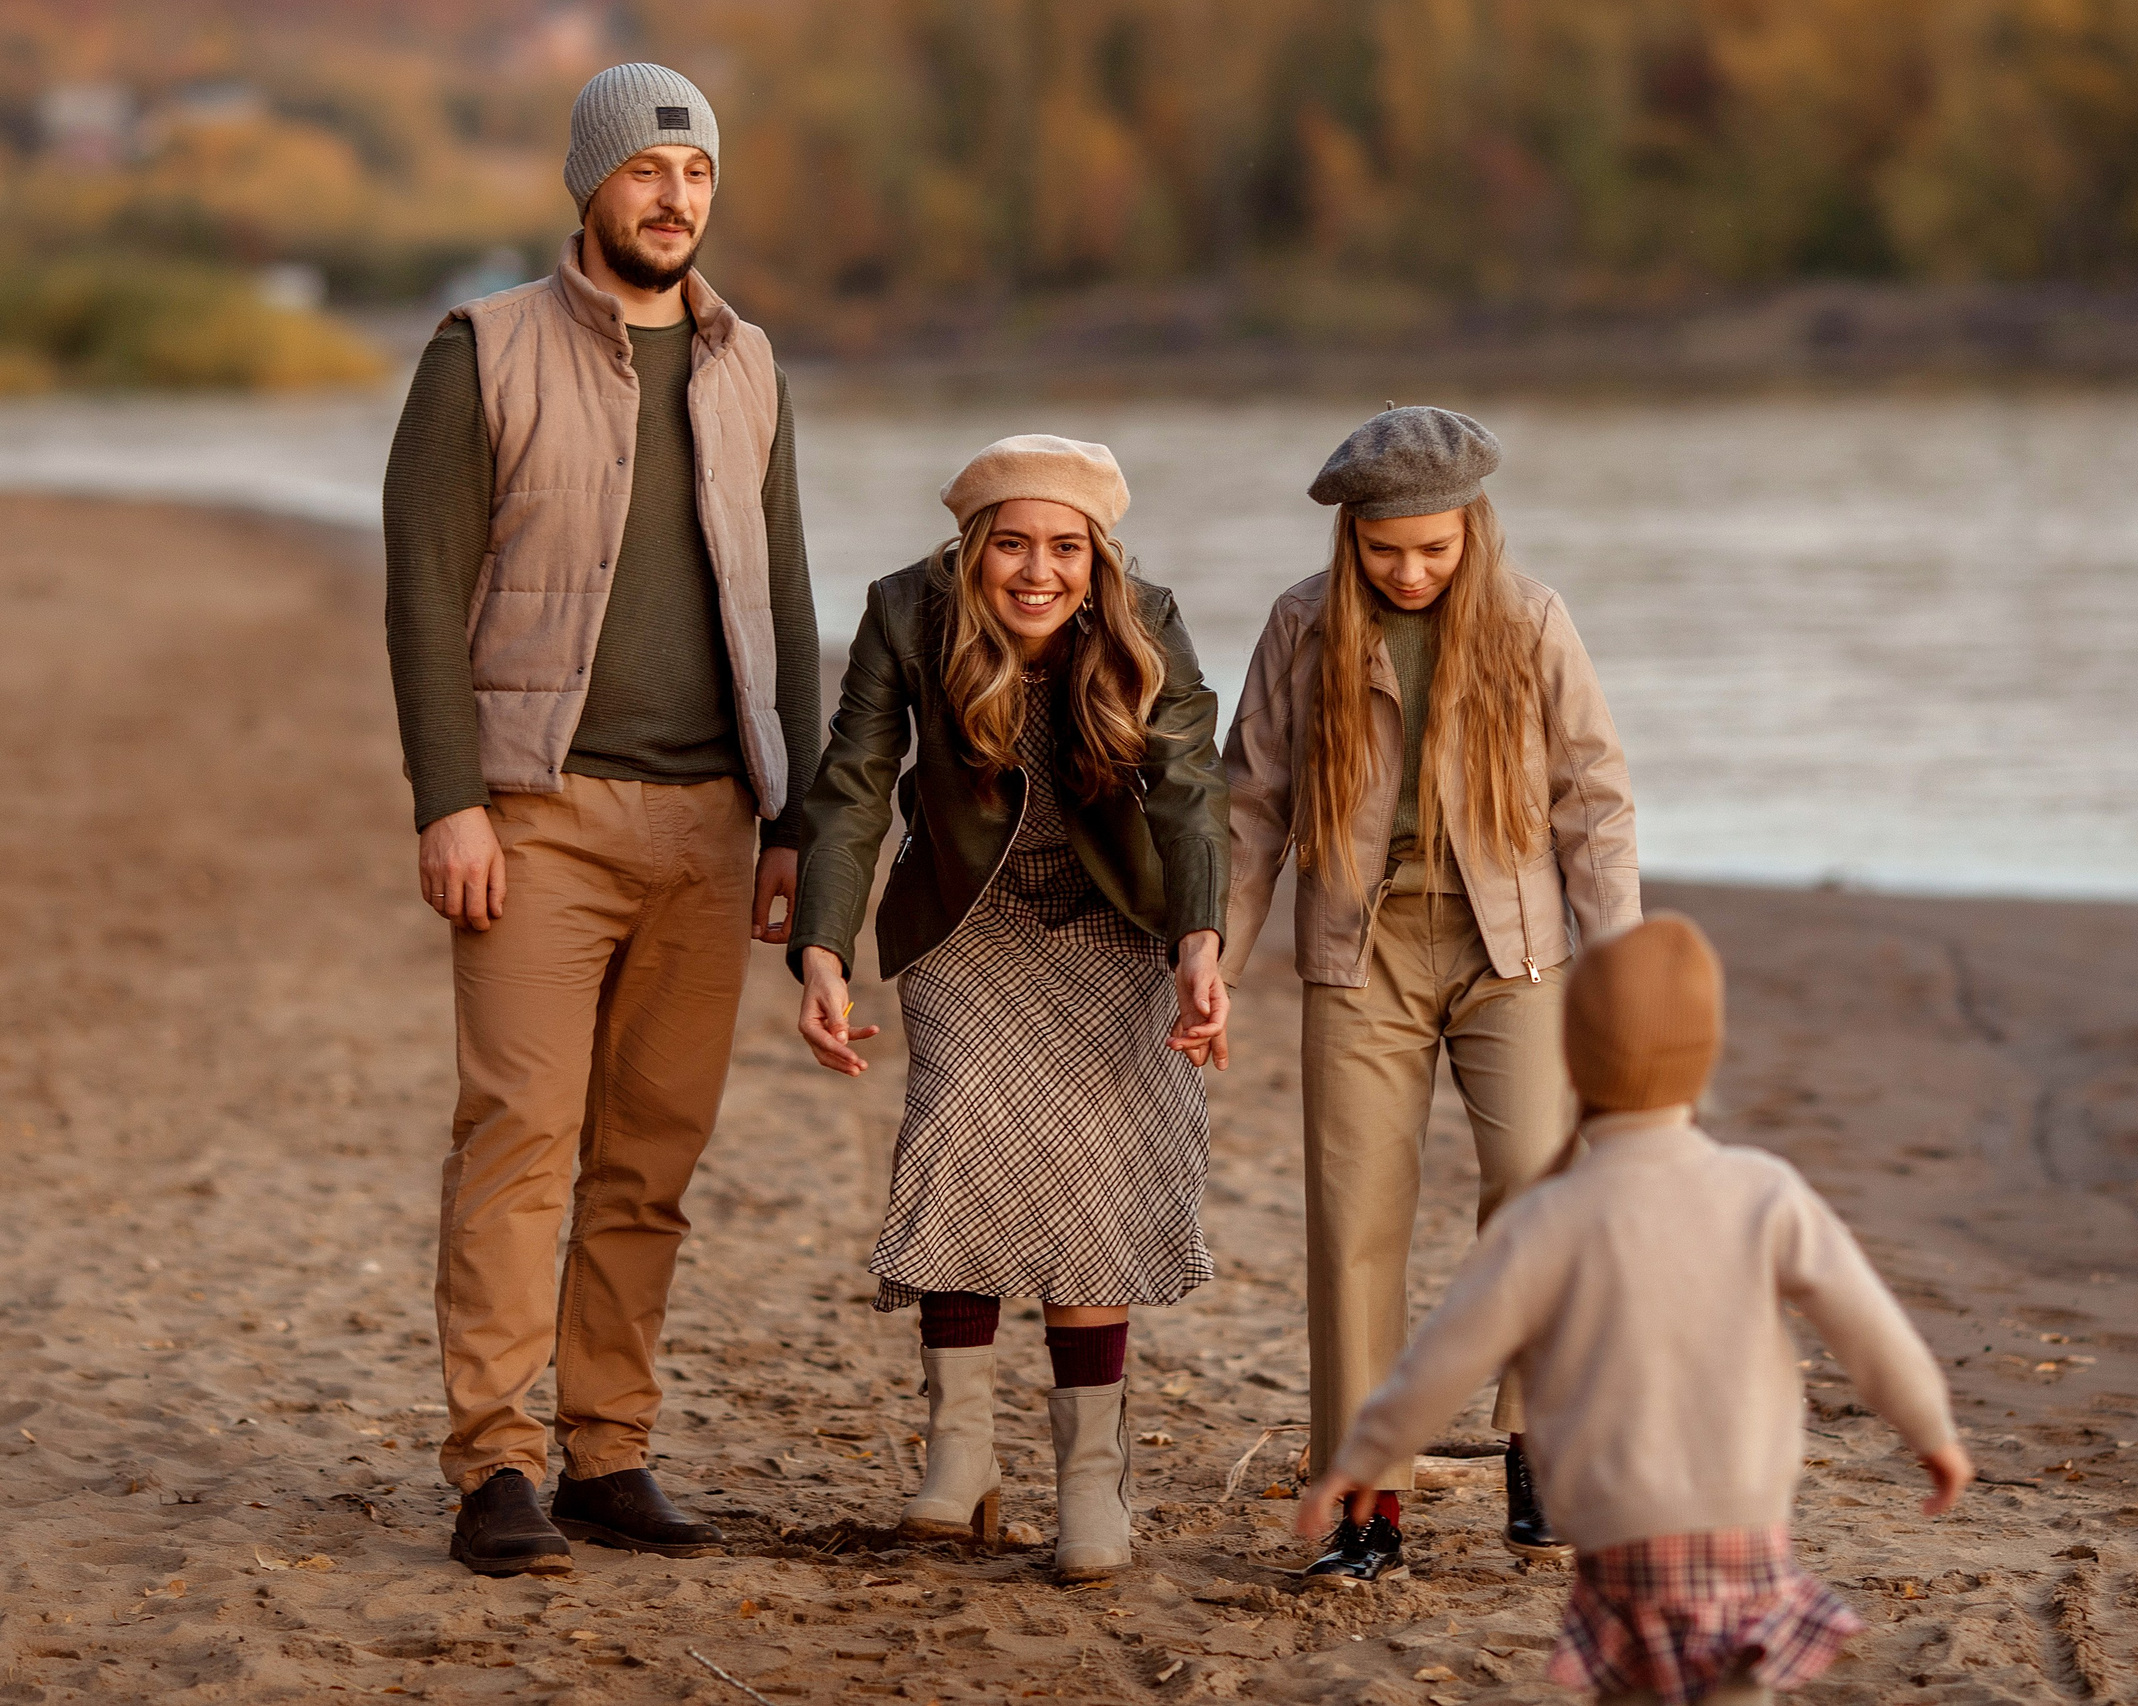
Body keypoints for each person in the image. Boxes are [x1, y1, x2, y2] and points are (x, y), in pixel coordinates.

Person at [383, 62, 819, 1577]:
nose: (673, 199)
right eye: (647, 171)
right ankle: (493, 1462)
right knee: (520, 1132)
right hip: (539, 811)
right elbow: (425, 591)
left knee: (651, 1155)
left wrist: (795, 824)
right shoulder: (481, 352)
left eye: (695, 175)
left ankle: (608, 1450)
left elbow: (788, 600)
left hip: (711, 822)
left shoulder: (746, 360)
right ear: (592, 184)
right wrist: (451, 799)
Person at [1298, 915, 1974, 1703]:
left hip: (1619, 1532)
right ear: (1706, 1059)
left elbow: (1444, 1362)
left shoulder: (1551, 1213)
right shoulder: (1763, 1189)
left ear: (1574, 1066)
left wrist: (1356, 1461)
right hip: (1747, 1521)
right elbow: (1872, 1332)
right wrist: (1933, 1433)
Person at [789, 434, 1229, 1584]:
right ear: (975, 546)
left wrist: (1199, 941)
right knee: (961, 1147)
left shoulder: (1147, 619)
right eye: (1016, 544)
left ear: (1098, 555)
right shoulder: (904, 614)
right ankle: (962, 1451)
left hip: (1114, 924)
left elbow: (1191, 787)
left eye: (1067, 547)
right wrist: (822, 950)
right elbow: (851, 784)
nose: (1040, 572)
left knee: (1094, 1182)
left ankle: (1092, 1481)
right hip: (965, 925)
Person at [1221, 405, 1641, 1581]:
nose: (1408, 570)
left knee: (1538, 1190)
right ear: (1349, 534)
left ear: (1472, 528)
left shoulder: (1529, 619)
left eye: (1433, 548)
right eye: (1384, 548)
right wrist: (1214, 955)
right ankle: (1367, 1502)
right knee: (1356, 1222)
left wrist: (1623, 968)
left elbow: (1592, 803)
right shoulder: (1301, 626)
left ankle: (1538, 1443)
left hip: (1513, 949)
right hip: (1360, 950)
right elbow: (1249, 804)